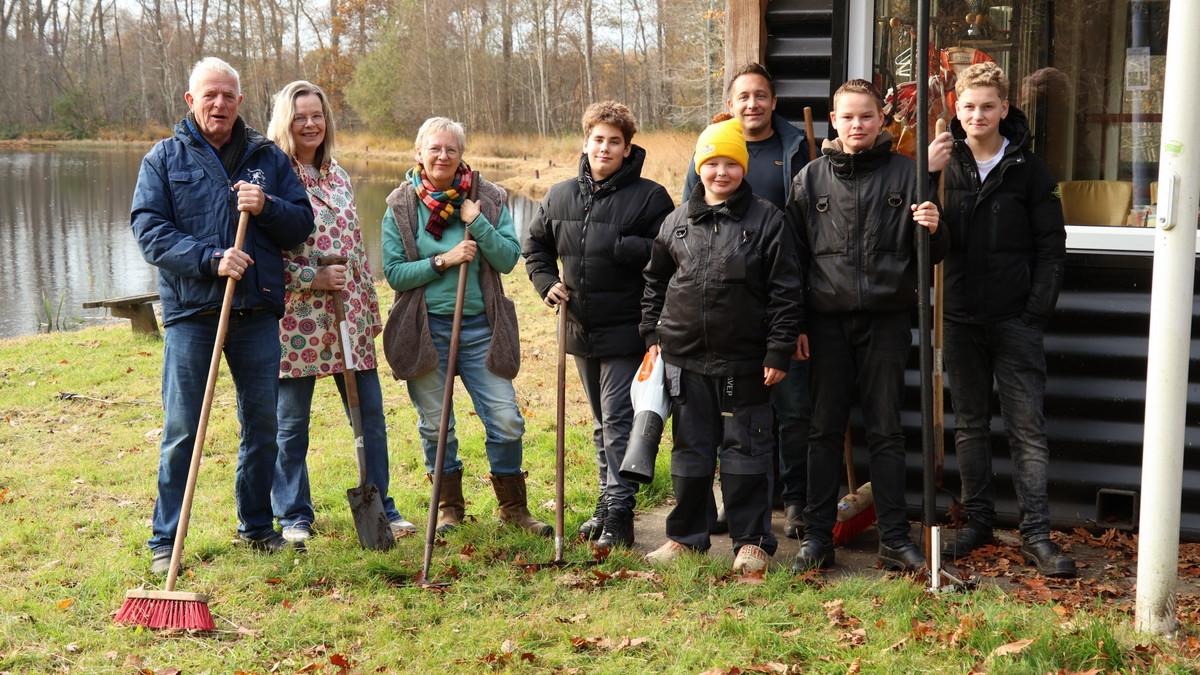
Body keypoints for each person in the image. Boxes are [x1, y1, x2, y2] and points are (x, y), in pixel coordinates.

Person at [131, 57, 314, 574]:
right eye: (209, 95)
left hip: (255, 313)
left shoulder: (267, 158)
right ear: (191, 101)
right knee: (183, 428)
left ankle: (256, 526)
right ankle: (166, 539)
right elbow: (149, 230)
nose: (219, 104)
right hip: (193, 312)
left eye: (228, 96)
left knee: (262, 424)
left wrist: (268, 206)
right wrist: (211, 259)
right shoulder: (164, 159)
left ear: (240, 101)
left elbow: (300, 224)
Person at [787, 79, 943, 573]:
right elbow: (792, 260)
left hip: (887, 319)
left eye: (867, 116)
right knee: (823, 430)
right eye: (848, 116)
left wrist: (936, 228)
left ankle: (895, 538)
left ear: (882, 121)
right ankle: (816, 537)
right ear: (834, 120)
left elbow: (932, 257)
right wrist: (796, 325)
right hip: (826, 322)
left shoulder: (909, 176)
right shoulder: (809, 180)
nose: (857, 125)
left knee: (887, 430)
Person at [927, 62, 1074, 577]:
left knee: (1027, 429)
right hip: (962, 317)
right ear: (956, 109)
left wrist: (1036, 311)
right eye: (968, 106)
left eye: (988, 106)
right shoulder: (946, 164)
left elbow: (1051, 246)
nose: (978, 115)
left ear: (1004, 109)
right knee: (969, 426)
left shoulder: (1028, 168)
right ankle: (979, 521)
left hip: (1015, 319)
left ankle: (1036, 533)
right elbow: (932, 244)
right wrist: (926, 175)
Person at [641, 118, 803, 573]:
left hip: (745, 363)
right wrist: (652, 335)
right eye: (711, 163)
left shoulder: (768, 220)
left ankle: (751, 543)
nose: (720, 172)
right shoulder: (676, 222)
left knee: (747, 453)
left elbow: (786, 291)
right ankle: (686, 537)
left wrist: (778, 350)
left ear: (743, 167)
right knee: (690, 451)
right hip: (685, 360)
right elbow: (654, 281)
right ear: (699, 166)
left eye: (730, 163)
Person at [381, 116, 551, 537]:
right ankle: (449, 509)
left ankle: (513, 509)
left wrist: (477, 222)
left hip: (481, 330)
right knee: (437, 426)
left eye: (450, 149)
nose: (442, 156)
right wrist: (443, 260)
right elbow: (395, 274)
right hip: (424, 330)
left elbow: (509, 259)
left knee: (507, 419)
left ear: (461, 155)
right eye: (434, 149)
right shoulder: (400, 205)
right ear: (418, 154)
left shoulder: (488, 198)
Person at [264, 80, 416, 544]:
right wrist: (311, 278)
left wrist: (365, 305)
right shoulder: (273, 174)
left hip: (348, 314)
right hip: (297, 320)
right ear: (284, 123)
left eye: (317, 115)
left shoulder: (340, 175)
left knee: (368, 415)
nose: (310, 124)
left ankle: (381, 504)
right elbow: (263, 255)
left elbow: (351, 245)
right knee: (290, 424)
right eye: (299, 117)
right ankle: (293, 514)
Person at [523, 101, 674, 548]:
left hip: (628, 328)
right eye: (598, 139)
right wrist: (547, 282)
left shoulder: (651, 197)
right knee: (601, 423)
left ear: (628, 149)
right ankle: (607, 505)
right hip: (580, 327)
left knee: (618, 419)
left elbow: (669, 254)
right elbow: (535, 247)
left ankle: (620, 516)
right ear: (585, 143)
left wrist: (628, 247)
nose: (604, 148)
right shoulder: (560, 195)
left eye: (614, 141)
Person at [684, 63, 813, 538]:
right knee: (733, 415)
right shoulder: (712, 146)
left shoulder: (794, 148)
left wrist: (799, 317)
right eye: (743, 97)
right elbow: (690, 226)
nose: (752, 104)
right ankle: (735, 503)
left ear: (773, 102)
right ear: (731, 102)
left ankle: (795, 500)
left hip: (785, 297)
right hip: (729, 309)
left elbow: (806, 231)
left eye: (761, 95)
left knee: (794, 406)